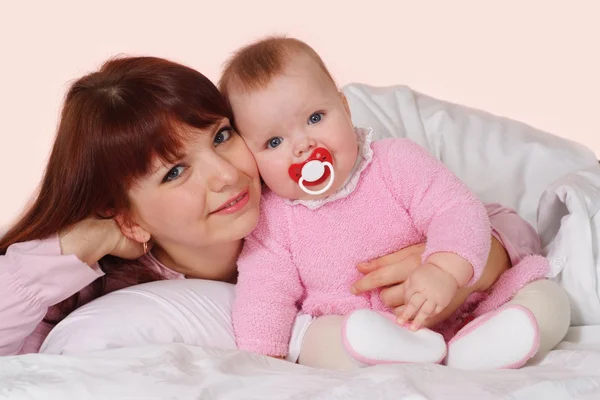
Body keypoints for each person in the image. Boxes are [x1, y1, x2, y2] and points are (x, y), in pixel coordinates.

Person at [0, 55, 562, 368]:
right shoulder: (114, 280)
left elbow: (496, 215)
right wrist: (74, 247)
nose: (225, 174)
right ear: (127, 216)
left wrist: (463, 258)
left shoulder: (299, 184)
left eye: (221, 136)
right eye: (175, 172)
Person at [221, 36, 568, 370]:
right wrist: (263, 358)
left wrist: (443, 269)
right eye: (274, 141)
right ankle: (393, 352)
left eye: (315, 118)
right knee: (317, 337)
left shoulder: (395, 162)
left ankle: (488, 346)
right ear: (251, 159)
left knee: (547, 299)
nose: (302, 145)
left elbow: (456, 209)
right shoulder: (274, 220)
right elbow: (264, 293)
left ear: (344, 108)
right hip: (367, 325)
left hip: (466, 308)